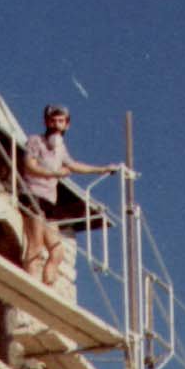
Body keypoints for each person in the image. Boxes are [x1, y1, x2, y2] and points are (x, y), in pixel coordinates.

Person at [20, 104, 120, 286]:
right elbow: (29, 165)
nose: (56, 125)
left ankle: (47, 287)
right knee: (35, 244)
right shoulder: (36, 141)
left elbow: (74, 165)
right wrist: (54, 174)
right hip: (34, 195)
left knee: (57, 251)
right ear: (47, 122)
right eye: (53, 121)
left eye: (61, 121)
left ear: (67, 125)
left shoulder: (60, 148)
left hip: (49, 201)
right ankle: (30, 285)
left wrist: (102, 169)